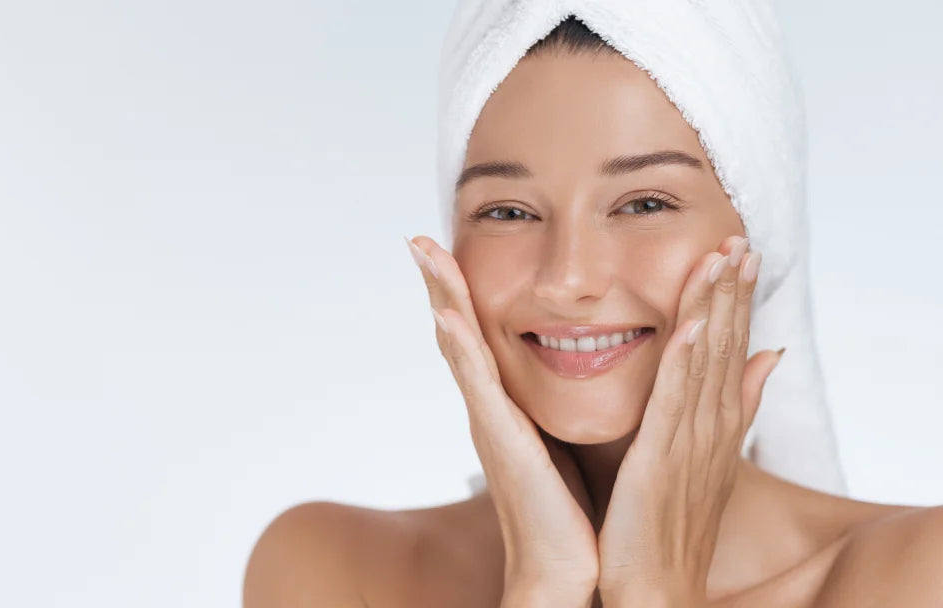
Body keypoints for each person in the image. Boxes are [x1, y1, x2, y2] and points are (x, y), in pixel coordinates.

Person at [243, 16, 943, 607]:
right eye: (508, 211)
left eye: (644, 204)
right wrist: (543, 585)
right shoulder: (341, 572)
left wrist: (655, 589)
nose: (568, 278)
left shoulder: (915, 575)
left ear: (761, 238)